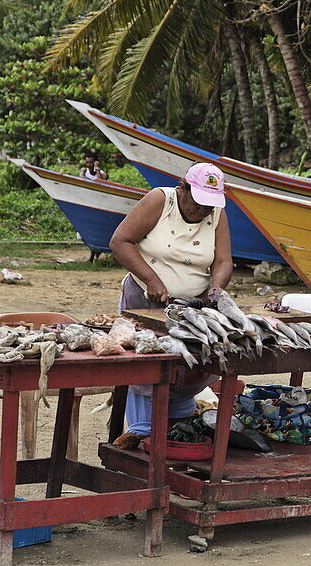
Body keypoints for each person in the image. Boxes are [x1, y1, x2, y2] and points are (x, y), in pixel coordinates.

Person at [108, 162, 232, 449]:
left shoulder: (216, 214)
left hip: (193, 308)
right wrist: (151, 279)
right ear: (183, 188)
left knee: (187, 366)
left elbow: (223, 260)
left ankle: (174, 436)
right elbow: (120, 241)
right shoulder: (160, 201)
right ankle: (141, 435)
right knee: (147, 365)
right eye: (199, 203)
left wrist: (216, 288)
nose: (203, 211)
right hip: (145, 302)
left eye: (209, 206)